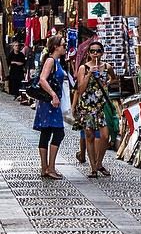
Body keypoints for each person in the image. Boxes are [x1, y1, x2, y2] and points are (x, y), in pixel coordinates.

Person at [74, 41, 117, 178]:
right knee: (90, 135)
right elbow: (80, 89)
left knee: (105, 136)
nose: (95, 54)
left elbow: (114, 78)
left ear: (102, 53)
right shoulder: (84, 68)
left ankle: (99, 163)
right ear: (89, 53)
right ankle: (93, 168)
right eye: (92, 51)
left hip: (101, 105)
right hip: (88, 106)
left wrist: (106, 83)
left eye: (98, 51)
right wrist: (89, 75)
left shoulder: (107, 67)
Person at [33, 35, 67, 179]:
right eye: (63, 45)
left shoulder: (56, 61)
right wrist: (53, 95)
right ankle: (50, 168)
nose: (65, 47)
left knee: (46, 133)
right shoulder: (51, 60)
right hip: (50, 103)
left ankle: (45, 168)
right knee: (59, 133)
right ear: (55, 47)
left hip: (50, 102)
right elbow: (42, 79)